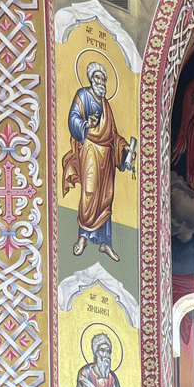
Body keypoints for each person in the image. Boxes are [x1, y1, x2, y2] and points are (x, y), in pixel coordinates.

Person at [63, 62, 133, 260]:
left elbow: (113, 134)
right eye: (98, 78)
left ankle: (105, 243)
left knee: (106, 197)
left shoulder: (106, 104)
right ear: (91, 79)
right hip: (91, 150)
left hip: (107, 155)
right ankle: (83, 238)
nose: (101, 82)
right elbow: (72, 119)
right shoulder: (82, 95)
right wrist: (87, 124)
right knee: (90, 192)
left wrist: (124, 147)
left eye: (104, 79)